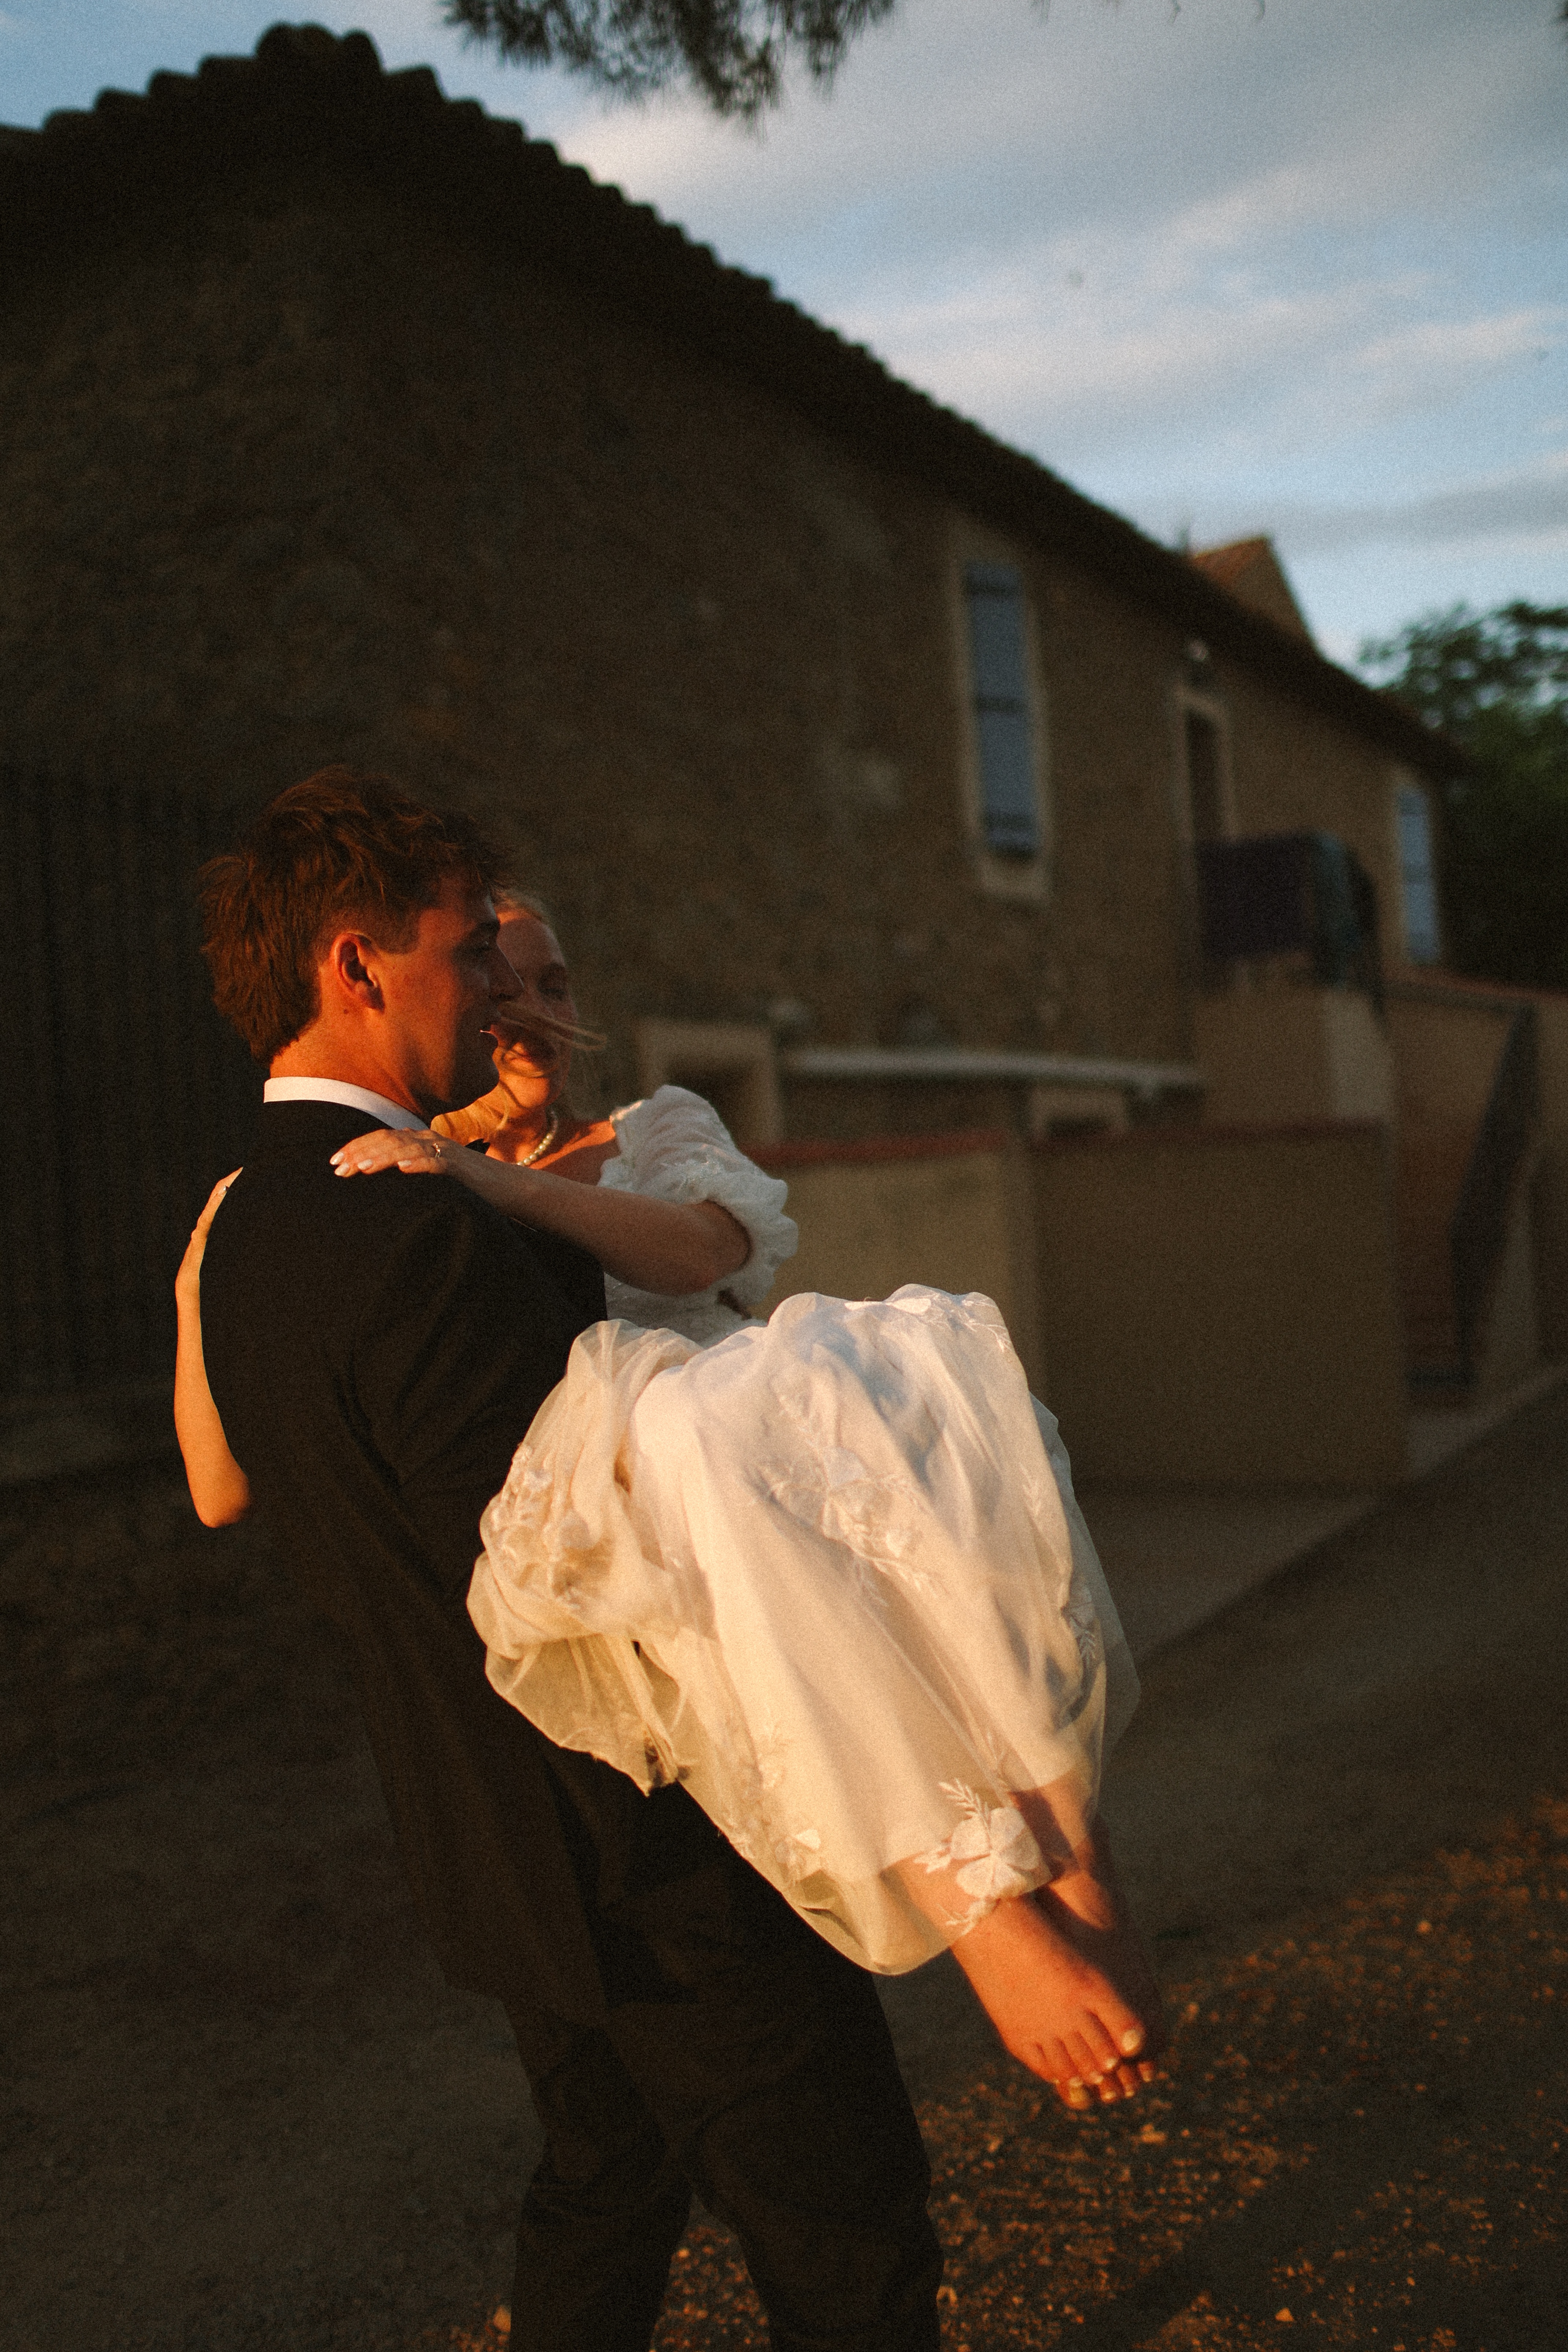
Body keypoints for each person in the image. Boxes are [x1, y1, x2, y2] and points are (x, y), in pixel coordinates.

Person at [188, 770, 950, 2352]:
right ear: (357, 967)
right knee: (845, 2228)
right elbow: (588, 1591)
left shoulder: (244, 1232)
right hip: (643, 1850)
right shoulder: (434, 1235)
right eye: (468, 949)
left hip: (481, 1846)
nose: (495, 986)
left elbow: (263, 1498)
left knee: (604, 2183)